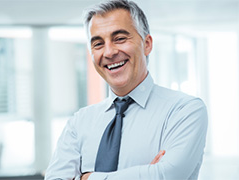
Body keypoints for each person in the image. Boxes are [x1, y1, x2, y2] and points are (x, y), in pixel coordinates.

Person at [44, 0, 208, 179]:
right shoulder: (79, 123)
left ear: (147, 44)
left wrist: (86, 177)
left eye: (120, 39)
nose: (109, 52)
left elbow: (166, 175)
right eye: (98, 44)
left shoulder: (184, 110)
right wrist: (146, 174)